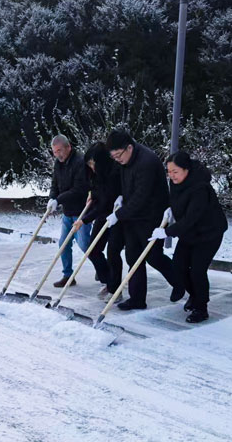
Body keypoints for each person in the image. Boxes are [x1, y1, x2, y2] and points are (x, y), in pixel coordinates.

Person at [104, 128, 184, 310]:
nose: (117, 160)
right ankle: (137, 299)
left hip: (151, 216)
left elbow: (142, 197)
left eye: (118, 155)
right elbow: (125, 186)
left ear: (129, 148)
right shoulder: (126, 161)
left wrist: (118, 215)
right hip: (132, 217)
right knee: (133, 257)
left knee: (153, 257)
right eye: (114, 157)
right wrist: (120, 197)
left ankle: (180, 282)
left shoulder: (147, 162)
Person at [149, 150, 228, 323]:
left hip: (209, 233)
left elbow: (192, 218)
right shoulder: (176, 182)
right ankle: (194, 295)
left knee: (197, 270)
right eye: (169, 172)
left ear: (187, 170)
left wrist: (167, 232)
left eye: (175, 172)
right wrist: (171, 209)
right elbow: (177, 200)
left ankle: (201, 308)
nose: (171, 176)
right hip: (190, 233)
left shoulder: (200, 188)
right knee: (179, 267)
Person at [73, 142, 124, 300]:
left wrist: (84, 220)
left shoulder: (114, 173)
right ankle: (108, 282)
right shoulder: (95, 174)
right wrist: (92, 194)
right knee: (93, 249)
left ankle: (116, 290)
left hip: (116, 216)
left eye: (93, 163)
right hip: (103, 215)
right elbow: (97, 194)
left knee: (113, 252)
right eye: (89, 164)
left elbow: (106, 202)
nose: (91, 167)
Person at [47, 134, 91, 288]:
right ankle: (68, 276)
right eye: (54, 151)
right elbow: (55, 184)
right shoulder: (58, 163)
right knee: (63, 244)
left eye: (60, 150)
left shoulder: (80, 162)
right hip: (67, 212)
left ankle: (103, 268)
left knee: (86, 245)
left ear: (68, 147)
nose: (57, 154)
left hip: (81, 212)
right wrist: (52, 198)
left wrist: (59, 199)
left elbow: (79, 190)